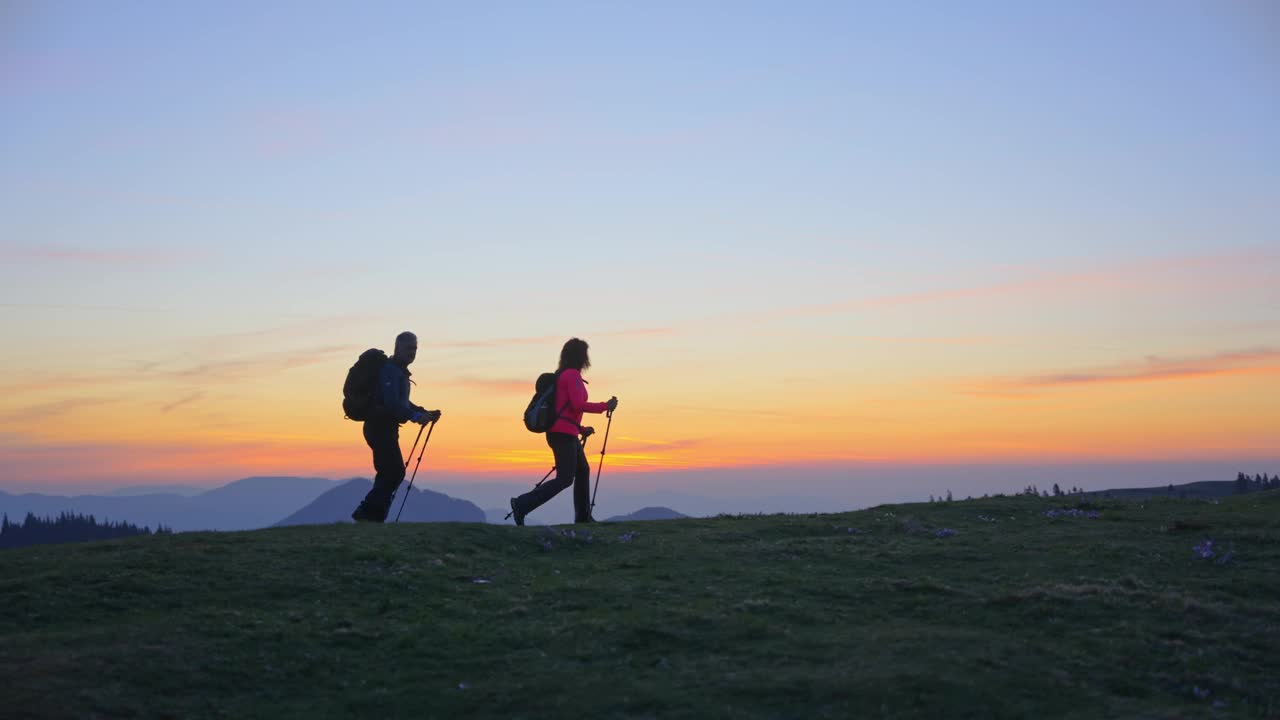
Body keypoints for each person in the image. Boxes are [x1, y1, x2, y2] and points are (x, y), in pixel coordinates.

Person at [510, 338, 617, 526]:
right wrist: (605, 406)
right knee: (565, 478)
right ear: (581, 356)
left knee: (583, 470)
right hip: (563, 435)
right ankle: (521, 504)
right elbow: (578, 405)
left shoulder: (563, 375)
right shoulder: (572, 376)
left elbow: (565, 409)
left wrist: (581, 429)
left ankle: (583, 517)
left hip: (565, 433)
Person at [351, 331, 442, 523]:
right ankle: (366, 512)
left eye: (415, 349)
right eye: (409, 348)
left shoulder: (397, 371)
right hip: (379, 427)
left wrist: (424, 412)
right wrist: (417, 416)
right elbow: (393, 404)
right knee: (395, 471)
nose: (412, 352)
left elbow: (402, 403)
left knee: (388, 471)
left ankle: (374, 516)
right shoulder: (391, 371)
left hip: (384, 428)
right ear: (398, 348)